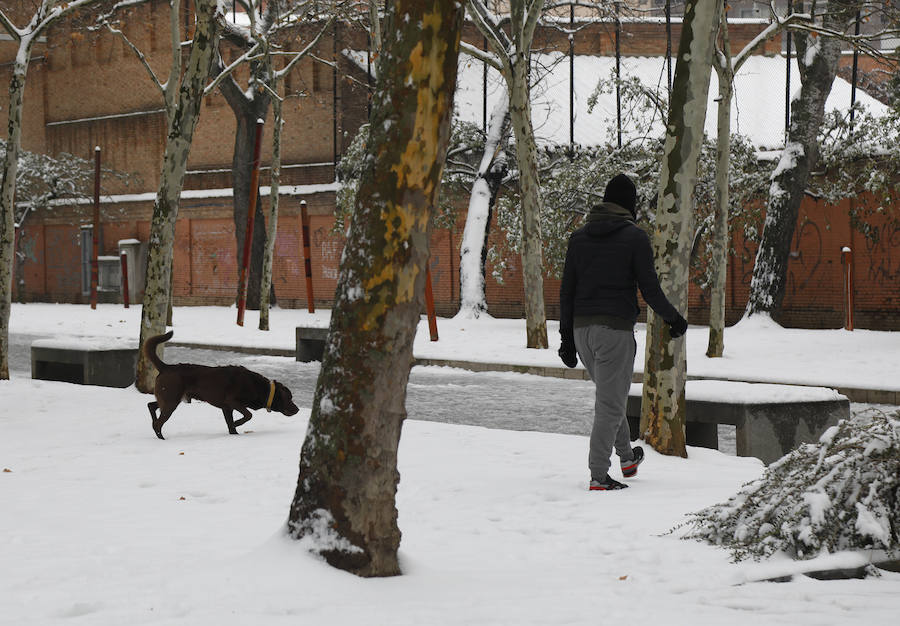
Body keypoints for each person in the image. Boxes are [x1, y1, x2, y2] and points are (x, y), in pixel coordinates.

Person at [558, 173, 688, 491]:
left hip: (582, 331)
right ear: (629, 205)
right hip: (614, 332)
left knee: (610, 398)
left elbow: (566, 291)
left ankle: (627, 458)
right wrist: (674, 319)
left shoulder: (579, 238)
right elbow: (650, 289)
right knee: (610, 405)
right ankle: (599, 475)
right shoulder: (634, 238)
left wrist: (565, 339)